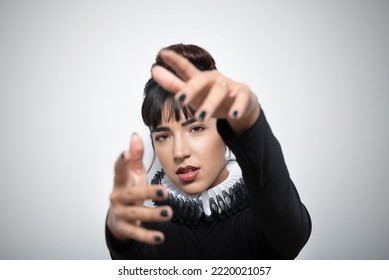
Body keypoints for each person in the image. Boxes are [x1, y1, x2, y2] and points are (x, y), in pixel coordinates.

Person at [105, 44, 311, 259]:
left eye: (196, 128)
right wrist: (117, 229)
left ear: (225, 131)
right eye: (163, 136)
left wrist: (251, 123)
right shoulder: (147, 231)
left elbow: (290, 231)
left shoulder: (264, 220)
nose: (179, 152)